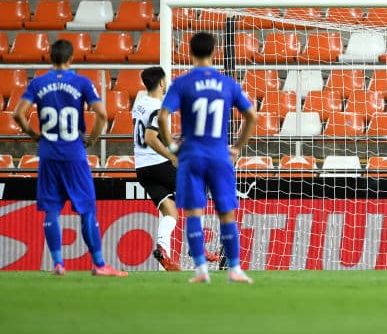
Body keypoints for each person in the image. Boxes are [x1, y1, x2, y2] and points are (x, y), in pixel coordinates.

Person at [12, 39, 126, 276]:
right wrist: (93, 139)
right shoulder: (81, 81)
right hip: (74, 154)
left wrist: (35, 136)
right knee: (86, 209)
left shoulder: (39, 82)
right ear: (72, 58)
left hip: (48, 154)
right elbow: (102, 115)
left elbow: (18, 114)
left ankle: (57, 263)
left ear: (49, 58)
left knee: (52, 208)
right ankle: (99, 264)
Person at [158, 32, 258, 284]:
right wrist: (237, 148)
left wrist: (171, 145)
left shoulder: (182, 83)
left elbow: (162, 116)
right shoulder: (227, 83)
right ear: (215, 52)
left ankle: (201, 269)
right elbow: (252, 117)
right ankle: (234, 269)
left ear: (189, 52)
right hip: (219, 155)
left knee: (194, 213)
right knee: (226, 213)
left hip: (191, 155)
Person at [131, 66, 181, 271]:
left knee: (170, 211)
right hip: (158, 164)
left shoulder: (139, 104)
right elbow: (150, 138)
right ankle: (199, 248)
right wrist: (171, 156)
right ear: (161, 82)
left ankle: (164, 252)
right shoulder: (159, 107)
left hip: (142, 168)